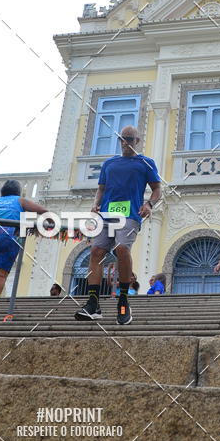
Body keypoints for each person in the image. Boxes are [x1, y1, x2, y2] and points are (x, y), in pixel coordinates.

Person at [75, 125, 161, 325]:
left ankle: (123, 299)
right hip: (105, 215)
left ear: (137, 141)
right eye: (123, 138)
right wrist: (95, 203)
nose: (126, 142)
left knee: (122, 249)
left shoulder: (146, 163)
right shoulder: (109, 164)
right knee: (95, 251)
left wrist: (149, 204)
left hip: (130, 215)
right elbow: (101, 189)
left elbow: (157, 189)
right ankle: (93, 303)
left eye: (130, 139)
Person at [0, 180, 50, 315]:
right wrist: (52, 221)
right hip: (8, 234)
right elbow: (43, 211)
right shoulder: (19, 200)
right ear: (18, 191)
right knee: (0, 274)